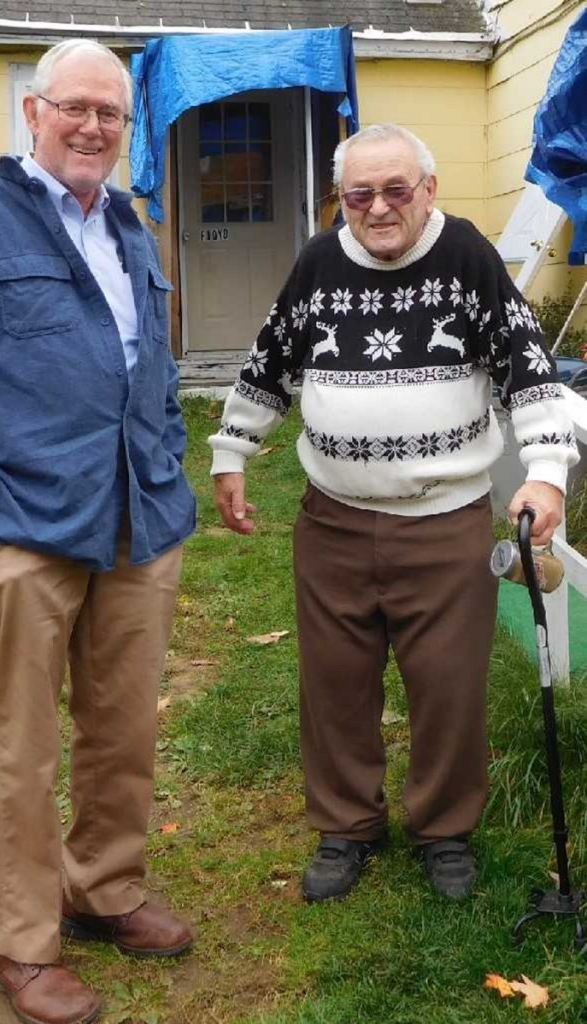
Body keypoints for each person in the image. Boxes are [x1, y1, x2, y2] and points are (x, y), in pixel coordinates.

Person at [0, 38, 196, 1024]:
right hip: (28, 529)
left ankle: (103, 887)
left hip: (138, 521)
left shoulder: (130, 224)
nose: (93, 126)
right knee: (23, 747)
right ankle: (21, 941)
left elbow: (151, 367)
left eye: (110, 113)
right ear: (34, 112)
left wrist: (169, 458)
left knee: (123, 721)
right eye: (75, 109)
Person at [210, 123, 578, 904]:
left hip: (445, 520)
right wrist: (232, 450)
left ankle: (445, 832)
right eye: (358, 195)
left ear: (428, 190)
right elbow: (271, 358)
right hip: (333, 519)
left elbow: (529, 371)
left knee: (448, 685)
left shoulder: (468, 257)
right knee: (335, 682)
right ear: (341, 199)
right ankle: (347, 826)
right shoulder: (318, 262)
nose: (377, 208)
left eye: (394, 190)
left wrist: (546, 474)